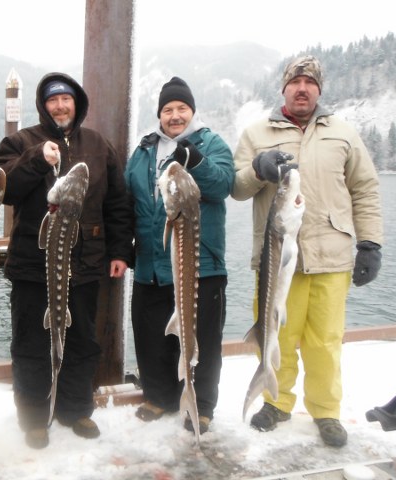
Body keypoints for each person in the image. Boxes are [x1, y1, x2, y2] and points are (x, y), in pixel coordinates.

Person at [232, 55, 383, 447]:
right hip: (276, 259)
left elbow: (365, 188)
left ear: (319, 89)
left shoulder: (344, 133)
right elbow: (235, 187)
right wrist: (258, 169)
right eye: (295, 82)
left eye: (310, 82)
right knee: (276, 335)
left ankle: (326, 410)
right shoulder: (256, 133)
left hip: (331, 256)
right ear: (283, 88)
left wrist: (370, 243)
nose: (302, 88)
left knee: (325, 342)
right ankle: (276, 402)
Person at [0, 72, 133, 449]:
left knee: (82, 339)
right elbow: (2, 186)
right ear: (43, 105)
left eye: (66, 99)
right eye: (52, 100)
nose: (60, 105)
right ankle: (35, 417)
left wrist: (120, 251)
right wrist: (36, 159)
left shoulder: (98, 145)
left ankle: (75, 409)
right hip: (31, 267)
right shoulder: (21, 141)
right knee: (31, 342)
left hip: (86, 265)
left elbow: (118, 202)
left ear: (77, 103)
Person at [124, 77, 235, 434]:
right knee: (151, 335)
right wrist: (124, 247)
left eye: (181, 108)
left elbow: (222, 185)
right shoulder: (143, 150)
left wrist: (197, 161)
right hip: (151, 265)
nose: (175, 115)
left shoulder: (211, 143)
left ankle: (201, 406)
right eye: (168, 109)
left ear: (192, 111)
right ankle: (159, 396)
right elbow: (128, 200)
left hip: (201, 265)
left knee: (203, 340)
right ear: (159, 114)